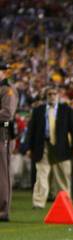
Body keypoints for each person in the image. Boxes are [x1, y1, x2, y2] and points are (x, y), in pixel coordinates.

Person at [26, 87, 73, 209]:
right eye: (49, 94)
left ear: (58, 95)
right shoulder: (38, 110)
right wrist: (29, 147)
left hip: (61, 146)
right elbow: (31, 131)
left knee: (63, 175)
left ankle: (65, 202)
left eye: (54, 94)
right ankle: (38, 203)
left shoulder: (66, 110)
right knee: (41, 174)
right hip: (42, 146)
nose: (52, 96)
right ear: (46, 96)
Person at [0, 61, 17, 222]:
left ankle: (3, 210)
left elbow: (7, 114)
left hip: (2, 134)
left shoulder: (7, 89)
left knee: (3, 174)